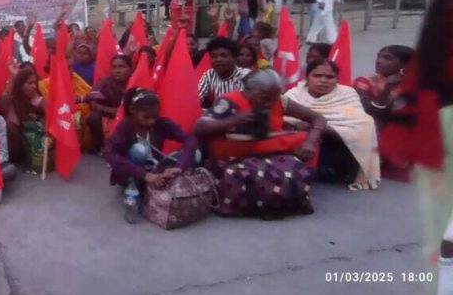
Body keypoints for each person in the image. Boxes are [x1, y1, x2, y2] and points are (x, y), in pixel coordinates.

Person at [194, 70, 326, 219]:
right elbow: (199, 128)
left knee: (306, 138)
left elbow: (318, 118)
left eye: (274, 97)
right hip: (234, 147)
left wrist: (310, 142)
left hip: (264, 144)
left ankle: (303, 184)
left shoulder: (279, 100)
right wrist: (233, 120)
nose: (269, 103)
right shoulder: (229, 101)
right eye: (265, 98)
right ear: (248, 90)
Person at [104, 88, 200, 223]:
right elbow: (110, 153)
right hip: (132, 171)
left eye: (154, 117)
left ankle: (162, 181)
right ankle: (138, 189)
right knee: (139, 150)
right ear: (133, 111)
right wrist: (146, 175)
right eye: (146, 117)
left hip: (155, 167)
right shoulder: (125, 127)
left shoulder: (161, 123)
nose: (152, 121)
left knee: (196, 154)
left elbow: (191, 139)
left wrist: (179, 167)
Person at [285, 59, 380, 190]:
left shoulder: (347, 94)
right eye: (317, 76)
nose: (323, 80)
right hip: (300, 146)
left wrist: (316, 128)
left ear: (336, 79)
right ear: (307, 77)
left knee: (367, 123)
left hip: (335, 150)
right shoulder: (294, 94)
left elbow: (361, 125)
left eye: (329, 77)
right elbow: (283, 120)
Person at [353, 44, 415, 181]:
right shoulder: (365, 81)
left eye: (387, 58)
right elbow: (370, 112)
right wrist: (388, 88)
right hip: (374, 126)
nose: (379, 61)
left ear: (405, 65)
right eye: (379, 57)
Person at [1, 68, 47, 170]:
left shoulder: (37, 100)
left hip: (38, 144)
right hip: (19, 148)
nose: (34, 86)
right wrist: (12, 78)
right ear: (20, 86)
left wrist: (40, 102)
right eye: (30, 83)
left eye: (35, 83)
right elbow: (3, 102)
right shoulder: (13, 101)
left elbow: (51, 118)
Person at [85, 54, 132, 146]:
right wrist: (113, 111)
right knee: (93, 117)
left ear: (130, 69)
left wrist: (120, 112)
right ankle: (98, 147)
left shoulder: (136, 81)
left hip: (129, 116)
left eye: (121, 67)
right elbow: (93, 100)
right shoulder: (104, 81)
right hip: (109, 114)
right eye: (114, 67)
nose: (117, 70)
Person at [197, 37, 252, 108]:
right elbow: (197, 98)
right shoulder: (209, 75)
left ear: (235, 58)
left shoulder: (246, 76)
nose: (218, 60)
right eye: (214, 56)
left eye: (224, 56)